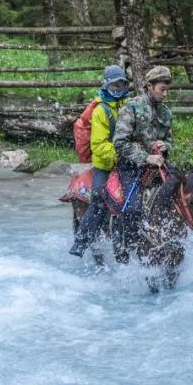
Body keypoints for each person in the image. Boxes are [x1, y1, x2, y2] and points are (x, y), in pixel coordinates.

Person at [69, 65, 132, 257]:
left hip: (129, 163)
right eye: (113, 85)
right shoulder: (100, 111)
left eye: (120, 84)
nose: (117, 88)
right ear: (106, 85)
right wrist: (123, 153)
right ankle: (82, 240)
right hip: (105, 165)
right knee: (98, 197)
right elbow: (99, 145)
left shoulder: (131, 105)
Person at [111, 65, 174, 256]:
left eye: (167, 90)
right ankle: (128, 250)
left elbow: (170, 140)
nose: (165, 94)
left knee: (183, 195)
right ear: (149, 86)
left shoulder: (167, 113)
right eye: (162, 89)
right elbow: (119, 142)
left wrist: (166, 146)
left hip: (159, 166)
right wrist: (145, 157)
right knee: (132, 209)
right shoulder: (131, 107)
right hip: (131, 167)